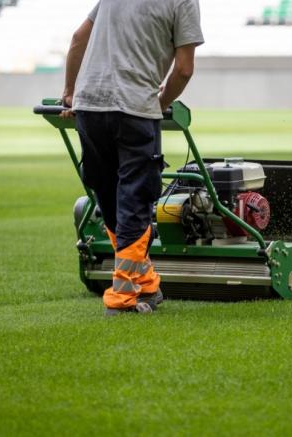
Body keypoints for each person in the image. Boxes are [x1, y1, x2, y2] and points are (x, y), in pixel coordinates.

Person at [61, 0, 204, 315]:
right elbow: (183, 68)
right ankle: (123, 297)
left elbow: (77, 39)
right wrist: (160, 101)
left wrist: (70, 93)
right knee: (136, 199)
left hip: (90, 107)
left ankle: (147, 284)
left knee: (109, 196)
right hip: (134, 108)